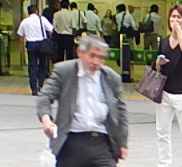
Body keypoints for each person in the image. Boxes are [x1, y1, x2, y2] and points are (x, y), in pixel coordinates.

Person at [36, 34, 128, 167]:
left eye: (101, 58)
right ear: (80, 52)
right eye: (92, 55)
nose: (96, 62)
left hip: (102, 142)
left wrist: (122, 143)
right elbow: (44, 96)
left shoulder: (111, 78)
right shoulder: (64, 71)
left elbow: (121, 113)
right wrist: (46, 120)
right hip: (72, 140)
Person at [152, 4, 182, 167]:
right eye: (173, 16)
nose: (175, 20)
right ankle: (164, 163)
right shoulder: (163, 41)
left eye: (179, 17)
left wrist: (179, 34)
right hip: (164, 92)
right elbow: (155, 64)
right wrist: (158, 62)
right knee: (162, 132)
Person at [18, 3, 55, 95]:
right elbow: (51, 30)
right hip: (42, 44)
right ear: (36, 11)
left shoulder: (24, 21)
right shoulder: (42, 19)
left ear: (28, 12)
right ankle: (40, 83)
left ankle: (33, 87)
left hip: (31, 45)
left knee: (32, 66)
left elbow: (21, 36)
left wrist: (21, 47)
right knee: (42, 65)